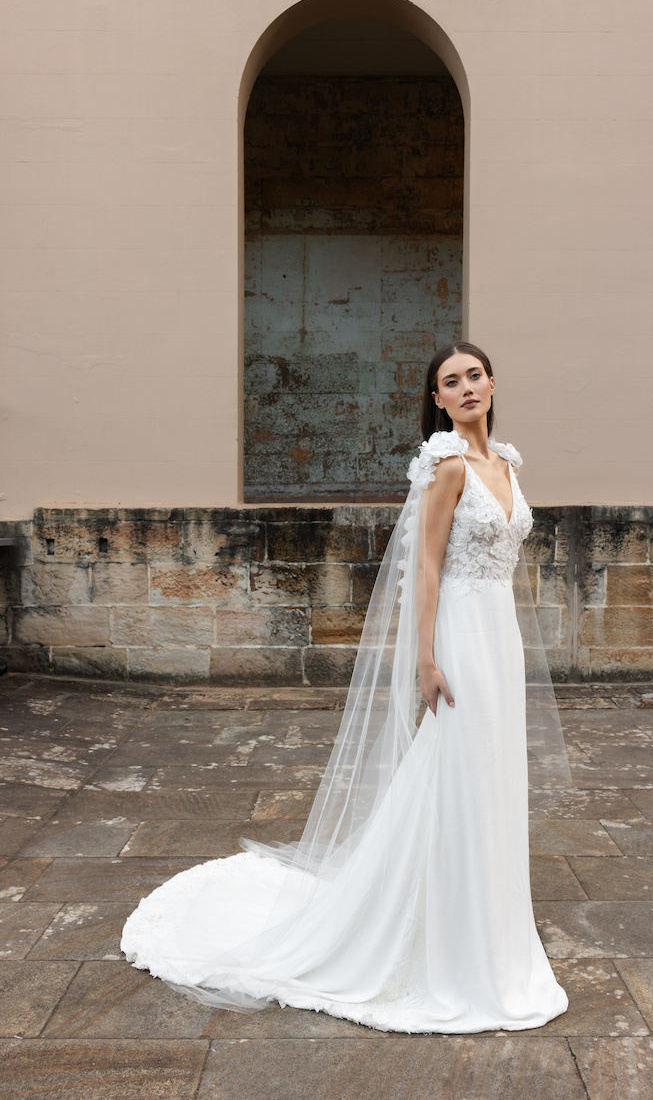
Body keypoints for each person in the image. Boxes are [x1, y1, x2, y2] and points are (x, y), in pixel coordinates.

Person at [120, 341, 572, 1034]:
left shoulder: (504, 463)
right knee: (459, 771)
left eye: (475, 375)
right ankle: (443, 936)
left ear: (491, 382)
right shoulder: (448, 468)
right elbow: (425, 568)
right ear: (439, 400)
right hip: (458, 633)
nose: (467, 387)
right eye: (451, 382)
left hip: (499, 634)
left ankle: (489, 925)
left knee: (490, 777)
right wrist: (424, 656)